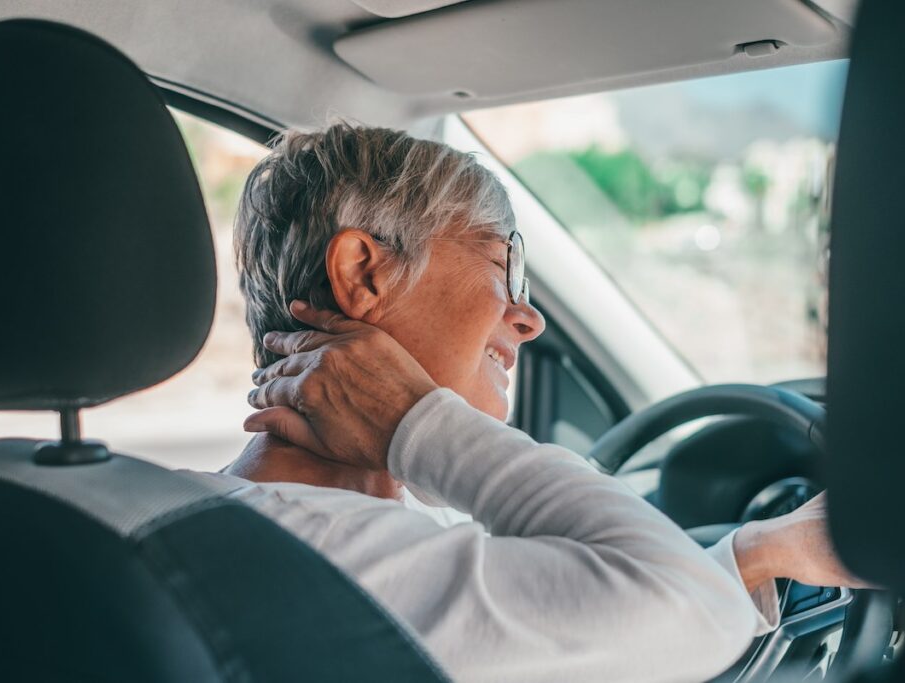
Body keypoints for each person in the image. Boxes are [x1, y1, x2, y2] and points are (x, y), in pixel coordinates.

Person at [199, 124, 862, 683]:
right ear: (362, 273)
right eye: (505, 266)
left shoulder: (231, 522)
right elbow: (682, 609)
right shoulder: (336, 565)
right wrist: (416, 422)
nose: (530, 318)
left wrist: (762, 551)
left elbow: (581, 616)